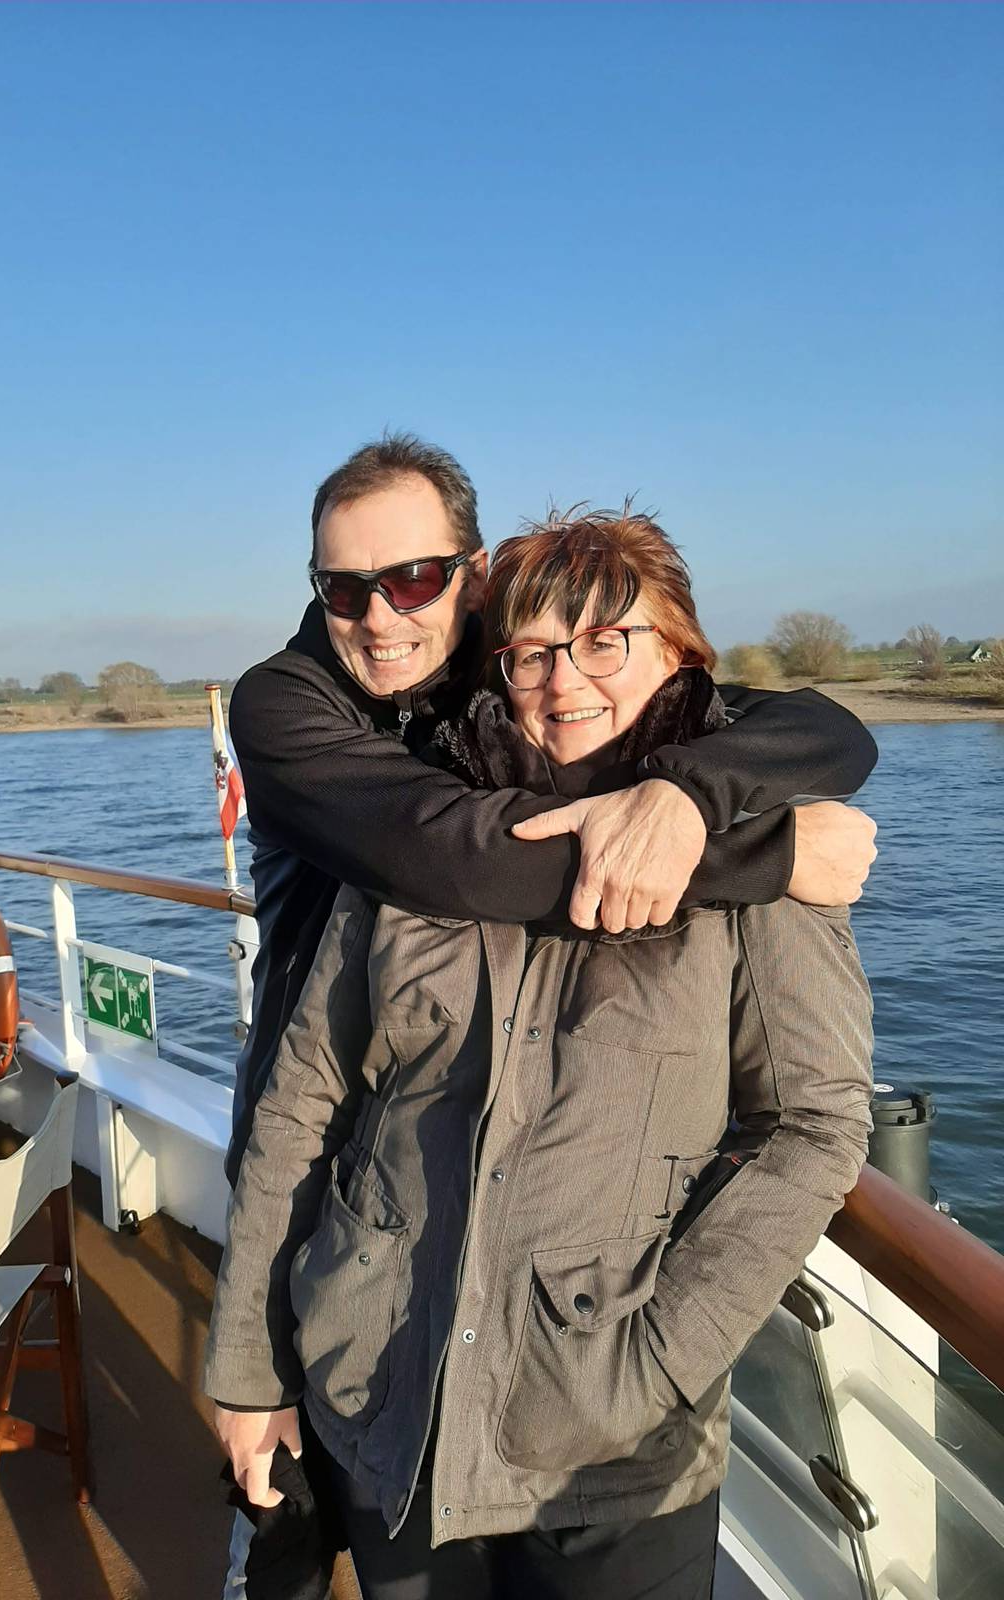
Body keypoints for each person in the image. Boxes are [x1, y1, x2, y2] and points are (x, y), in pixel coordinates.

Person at [211, 435, 877, 1594]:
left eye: (413, 577)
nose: (379, 614)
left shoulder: (537, 693)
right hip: (381, 1362)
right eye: (344, 587)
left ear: (467, 579)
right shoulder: (301, 713)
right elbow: (434, 887)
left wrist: (657, 1358)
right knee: (277, 1548)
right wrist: (759, 848)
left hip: (609, 1442)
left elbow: (814, 1122)